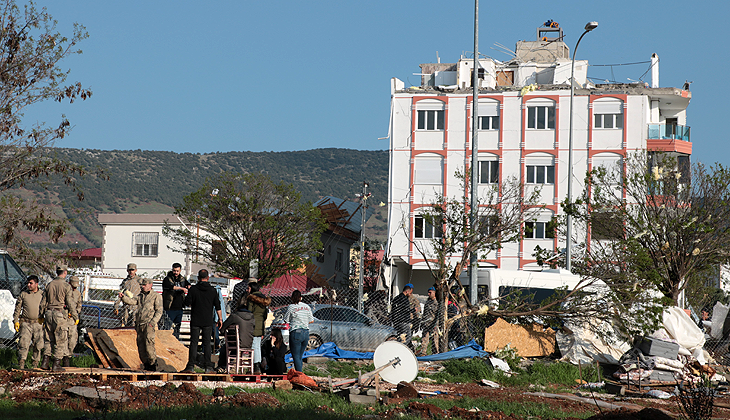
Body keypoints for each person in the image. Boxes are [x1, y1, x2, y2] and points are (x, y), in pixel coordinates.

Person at [40, 264, 78, 372]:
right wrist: (75, 316)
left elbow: (43, 302)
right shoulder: (66, 286)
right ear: (65, 272)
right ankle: (56, 364)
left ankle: (45, 361)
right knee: (60, 339)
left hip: (48, 313)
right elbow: (70, 302)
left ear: (57, 272)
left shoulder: (49, 284)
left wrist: (41, 314)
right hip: (59, 314)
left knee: (48, 338)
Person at [182, 269, 222, 373]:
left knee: (194, 343)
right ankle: (208, 367)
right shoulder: (212, 290)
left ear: (198, 278)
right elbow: (218, 306)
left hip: (195, 319)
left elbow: (187, 303)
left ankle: (190, 366)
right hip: (208, 321)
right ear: (208, 278)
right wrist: (220, 319)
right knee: (207, 343)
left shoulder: (193, 289)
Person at [120, 277, 163, 371]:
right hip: (140, 324)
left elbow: (159, 311)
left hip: (148, 324)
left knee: (149, 344)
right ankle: (146, 364)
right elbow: (132, 301)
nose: (142, 286)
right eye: (142, 285)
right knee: (141, 345)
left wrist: (153, 322)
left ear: (150, 285)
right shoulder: (140, 296)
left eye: (144, 285)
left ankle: (153, 364)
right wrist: (123, 297)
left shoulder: (156, 296)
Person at [13, 275, 44, 369]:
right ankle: (21, 364)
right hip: (26, 323)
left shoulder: (42, 295)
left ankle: (35, 365)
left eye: (31, 283)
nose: (28, 285)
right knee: (23, 344)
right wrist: (16, 321)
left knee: (38, 345)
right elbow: (17, 309)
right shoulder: (24, 294)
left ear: (36, 284)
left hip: (38, 323)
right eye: (28, 283)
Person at [216, 304, 255, 373]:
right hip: (248, 343)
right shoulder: (252, 317)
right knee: (233, 349)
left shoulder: (234, 316)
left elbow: (222, 329)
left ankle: (222, 367)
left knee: (224, 349)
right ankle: (228, 367)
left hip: (237, 343)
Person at [285, 289, 313, 372]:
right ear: (301, 298)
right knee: (300, 356)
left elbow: (286, 320)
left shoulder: (291, 307)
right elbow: (311, 320)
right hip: (306, 332)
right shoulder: (307, 307)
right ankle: (300, 372)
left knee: (296, 356)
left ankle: (299, 374)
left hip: (296, 332)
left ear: (292, 298)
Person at [245, 281, 271, 374]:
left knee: (253, 346)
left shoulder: (251, 299)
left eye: (248, 288)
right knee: (257, 346)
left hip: (252, 324)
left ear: (252, 289)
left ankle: (255, 367)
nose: (247, 290)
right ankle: (258, 366)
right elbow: (265, 315)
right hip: (260, 325)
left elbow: (249, 312)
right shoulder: (264, 300)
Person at [161, 262, 189, 339]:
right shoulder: (167, 279)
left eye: (177, 271)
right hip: (170, 308)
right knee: (167, 327)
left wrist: (189, 287)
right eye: (174, 271)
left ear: (180, 270)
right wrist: (181, 288)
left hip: (179, 308)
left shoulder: (182, 279)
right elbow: (170, 287)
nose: (176, 272)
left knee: (177, 327)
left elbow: (188, 285)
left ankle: (176, 340)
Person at [64, 276, 83, 367]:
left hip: (73, 319)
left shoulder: (78, 294)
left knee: (73, 339)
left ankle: (69, 355)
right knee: (64, 338)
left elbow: (79, 304)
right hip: (65, 317)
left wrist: (77, 311)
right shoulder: (64, 291)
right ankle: (64, 358)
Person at [391, 283, 415, 348]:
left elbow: (393, 310)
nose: (410, 295)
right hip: (404, 321)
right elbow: (406, 310)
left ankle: (397, 347)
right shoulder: (405, 299)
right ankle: (402, 348)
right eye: (410, 293)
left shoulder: (396, 298)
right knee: (407, 336)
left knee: (400, 336)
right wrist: (413, 310)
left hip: (396, 322)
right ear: (407, 291)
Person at [420, 287, 439, 356]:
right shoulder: (428, 302)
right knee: (424, 339)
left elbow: (438, 315)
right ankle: (423, 353)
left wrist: (436, 324)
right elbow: (425, 313)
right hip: (426, 324)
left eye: (430, 292)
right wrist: (422, 322)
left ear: (434, 293)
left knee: (435, 340)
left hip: (433, 324)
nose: (428, 294)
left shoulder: (437, 303)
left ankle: (435, 353)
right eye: (428, 292)